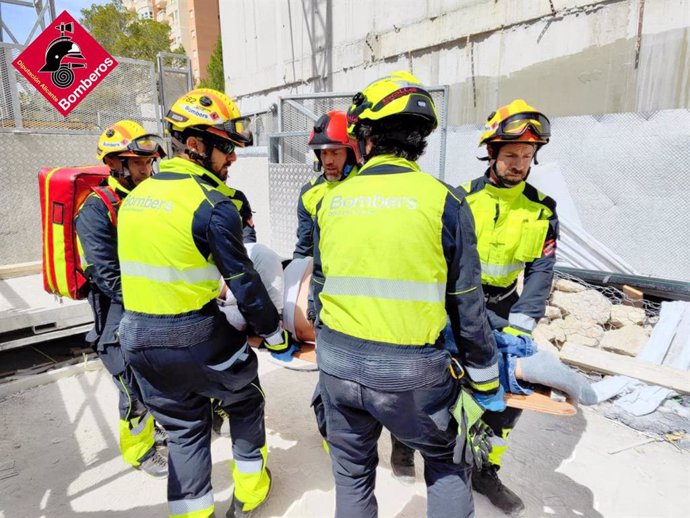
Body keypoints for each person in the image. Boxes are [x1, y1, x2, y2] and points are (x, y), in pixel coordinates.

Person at [311, 71, 501, 518]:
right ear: (420, 142)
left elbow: (319, 289)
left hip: (337, 367)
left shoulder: (330, 201)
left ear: (365, 139)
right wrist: (486, 379)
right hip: (412, 377)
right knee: (447, 464)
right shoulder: (446, 201)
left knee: (353, 474)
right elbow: (466, 303)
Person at [116, 88, 289, 518]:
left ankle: (192, 512)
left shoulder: (133, 200)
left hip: (137, 340)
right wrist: (274, 333)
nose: (231, 158)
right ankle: (250, 492)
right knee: (245, 397)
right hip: (194, 336)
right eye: (226, 148)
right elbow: (244, 283)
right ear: (195, 145)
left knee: (185, 429)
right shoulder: (214, 206)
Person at [392, 99, 560, 516]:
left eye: (526, 156)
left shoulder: (542, 209)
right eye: (510, 155)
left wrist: (522, 324)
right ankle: (403, 444)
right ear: (491, 153)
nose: (519, 163)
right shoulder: (459, 199)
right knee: (431, 385)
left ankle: (486, 468)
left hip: (504, 310)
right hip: (453, 305)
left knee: (505, 398)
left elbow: (541, 270)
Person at [75, 120, 168, 478]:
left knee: (153, 375)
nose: (147, 169)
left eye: (149, 163)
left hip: (148, 303)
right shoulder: (97, 209)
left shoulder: (146, 199)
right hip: (119, 308)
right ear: (116, 164)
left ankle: (153, 431)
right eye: (139, 163)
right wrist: (149, 302)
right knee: (130, 383)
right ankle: (140, 451)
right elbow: (107, 274)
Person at [293, 110, 360, 260]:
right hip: (322, 276)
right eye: (324, 153)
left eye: (335, 153)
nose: (328, 161)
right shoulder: (309, 193)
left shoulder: (366, 183)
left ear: (351, 154)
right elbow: (305, 245)